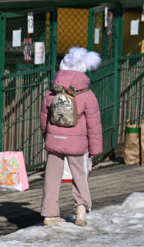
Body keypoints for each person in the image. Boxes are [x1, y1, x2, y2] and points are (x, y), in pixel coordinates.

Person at [39, 47, 103, 226]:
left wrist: (47, 136)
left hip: (54, 140)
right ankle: (81, 210)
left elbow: (44, 119)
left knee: (51, 176)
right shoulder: (87, 95)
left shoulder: (51, 92)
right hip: (77, 143)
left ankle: (49, 214)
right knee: (79, 175)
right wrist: (94, 148)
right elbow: (94, 124)